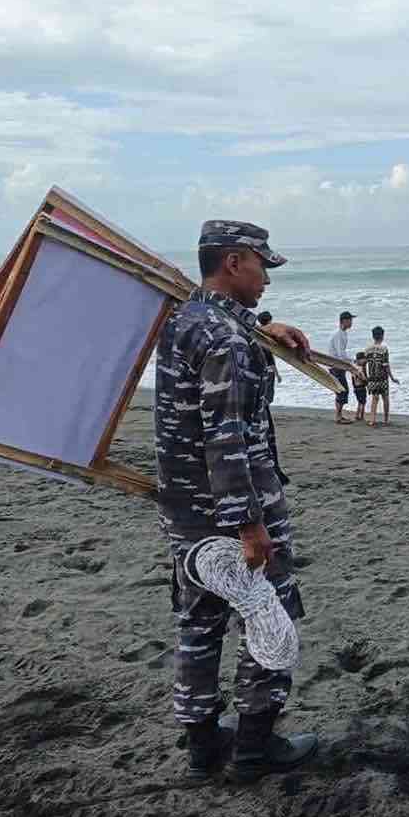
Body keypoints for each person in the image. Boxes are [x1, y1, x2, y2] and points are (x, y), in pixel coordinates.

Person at [154, 220, 319, 783]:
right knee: (268, 615)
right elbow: (225, 437)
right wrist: (249, 525)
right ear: (233, 263)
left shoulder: (185, 320)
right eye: (261, 266)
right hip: (234, 507)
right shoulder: (226, 340)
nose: (266, 278)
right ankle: (254, 747)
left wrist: (268, 329)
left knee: (199, 620)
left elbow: (219, 340)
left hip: (185, 511)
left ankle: (203, 748)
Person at [363, 326, 399, 426]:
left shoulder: (367, 349)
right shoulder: (384, 349)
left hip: (372, 378)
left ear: (373, 336)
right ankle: (386, 419)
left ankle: (372, 420)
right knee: (385, 398)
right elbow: (386, 365)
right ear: (382, 336)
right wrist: (392, 378)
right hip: (383, 378)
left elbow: (364, 364)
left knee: (374, 398)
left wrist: (365, 376)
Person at [327, 310, 356, 424]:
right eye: (350, 320)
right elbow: (340, 354)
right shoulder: (339, 334)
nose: (351, 322)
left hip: (338, 366)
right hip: (336, 366)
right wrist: (352, 362)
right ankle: (338, 416)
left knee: (341, 390)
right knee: (342, 391)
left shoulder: (343, 333)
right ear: (344, 321)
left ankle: (339, 415)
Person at [351, 350, 369, 422]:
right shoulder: (360, 368)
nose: (365, 361)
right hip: (361, 387)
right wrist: (368, 381)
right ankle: (361, 416)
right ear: (360, 360)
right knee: (363, 403)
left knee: (359, 402)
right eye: (364, 359)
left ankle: (357, 415)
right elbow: (363, 378)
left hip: (356, 388)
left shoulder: (354, 367)